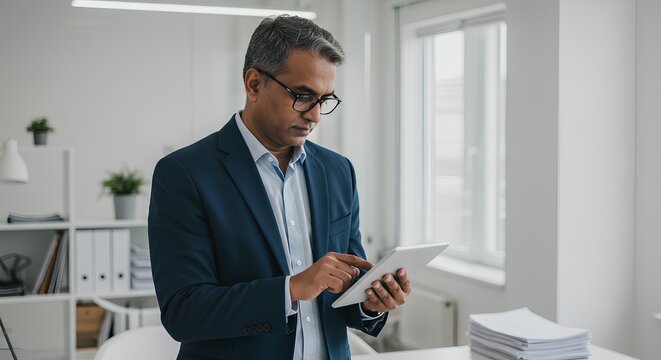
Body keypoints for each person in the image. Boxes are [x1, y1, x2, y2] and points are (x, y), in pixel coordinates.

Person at [148, 15, 411, 360]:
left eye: (324, 100)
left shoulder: (337, 171)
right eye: (302, 96)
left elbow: (345, 291)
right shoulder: (184, 174)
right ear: (254, 84)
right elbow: (184, 312)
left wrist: (371, 302)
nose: (315, 116)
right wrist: (293, 288)